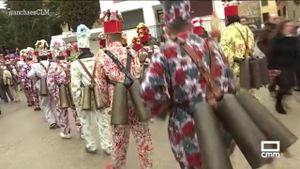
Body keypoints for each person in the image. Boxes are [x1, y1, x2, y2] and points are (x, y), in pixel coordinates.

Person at [141, 0, 235, 168]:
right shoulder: (212, 45)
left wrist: (165, 107)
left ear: (167, 26)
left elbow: (149, 90)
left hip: (187, 130)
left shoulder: (164, 52)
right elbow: (231, 84)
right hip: (219, 122)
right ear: (190, 22)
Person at [97, 10, 153, 169]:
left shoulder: (101, 55)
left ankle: (117, 167)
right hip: (135, 99)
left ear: (107, 35)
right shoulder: (131, 51)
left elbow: (100, 84)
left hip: (117, 101)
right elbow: (138, 74)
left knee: (119, 142)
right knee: (143, 138)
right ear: (120, 33)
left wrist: (108, 102)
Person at [70, 24, 112, 154]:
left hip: (84, 96)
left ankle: (91, 145)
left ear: (79, 49)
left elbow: (75, 86)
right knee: (103, 120)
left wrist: (77, 102)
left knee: (85, 121)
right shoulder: (98, 60)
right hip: (99, 93)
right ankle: (107, 146)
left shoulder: (75, 64)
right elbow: (105, 79)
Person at [47, 37, 82, 139]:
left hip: (59, 90)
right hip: (71, 88)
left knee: (62, 111)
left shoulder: (53, 66)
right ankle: (82, 131)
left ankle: (66, 132)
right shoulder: (70, 63)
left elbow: (50, 83)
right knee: (76, 109)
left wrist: (54, 93)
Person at [268, 20, 298, 114]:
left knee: (290, 85)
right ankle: (278, 103)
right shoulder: (276, 39)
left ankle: (279, 96)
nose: (290, 27)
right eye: (287, 25)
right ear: (282, 27)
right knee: (284, 85)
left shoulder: (294, 39)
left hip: (291, 66)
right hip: (280, 66)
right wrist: (272, 68)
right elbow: (271, 54)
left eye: (291, 25)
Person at [28, 40, 58, 128]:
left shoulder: (35, 65)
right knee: (54, 103)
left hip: (42, 86)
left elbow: (30, 75)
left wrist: (37, 79)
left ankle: (52, 121)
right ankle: (57, 119)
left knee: (45, 103)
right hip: (53, 85)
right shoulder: (53, 63)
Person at [220, 2, 254, 80]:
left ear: (227, 19)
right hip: (249, 67)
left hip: (236, 71)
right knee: (249, 90)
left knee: (238, 91)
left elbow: (225, 52)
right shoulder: (246, 29)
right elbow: (251, 46)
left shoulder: (227, 31)